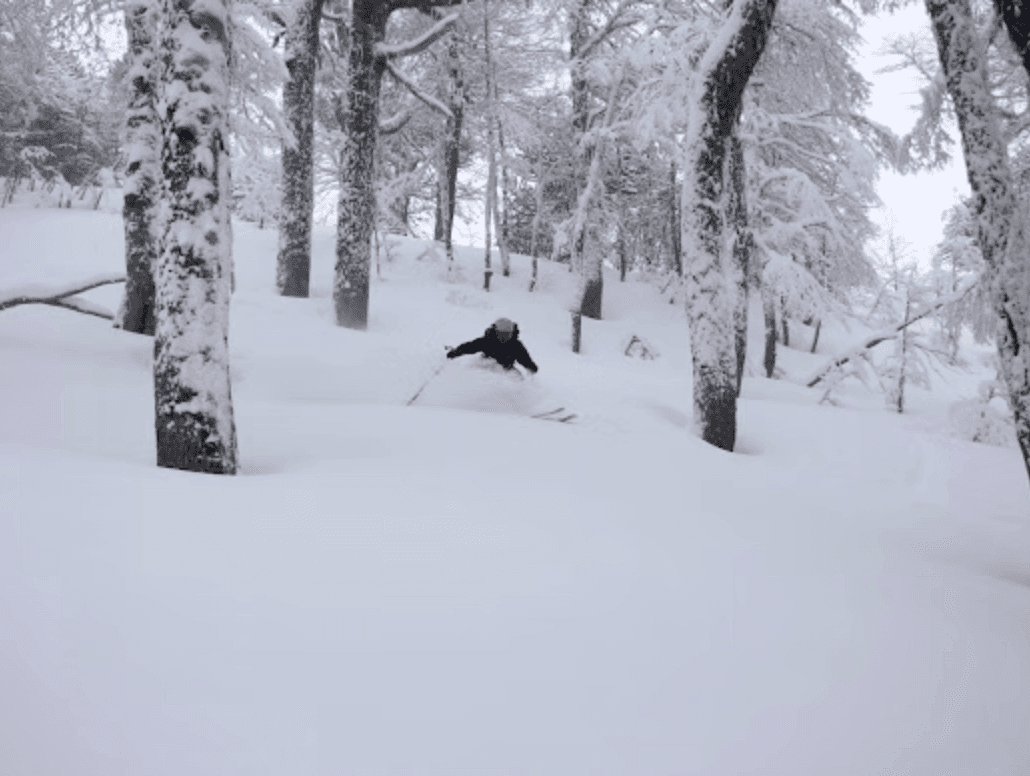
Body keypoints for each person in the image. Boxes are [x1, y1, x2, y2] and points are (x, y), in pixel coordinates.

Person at [447, 317, 538, 373]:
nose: (504, 338)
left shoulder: (516, 346)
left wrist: (531, 367)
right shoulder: (488, 341)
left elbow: (524, 358)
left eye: (507, 335)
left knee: (518, 379)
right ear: (496, 332)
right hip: (486, 364)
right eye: (501, 335)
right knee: (475, 370)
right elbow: (470, 347)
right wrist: (455, 353)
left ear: (512, 333)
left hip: (506, 368)